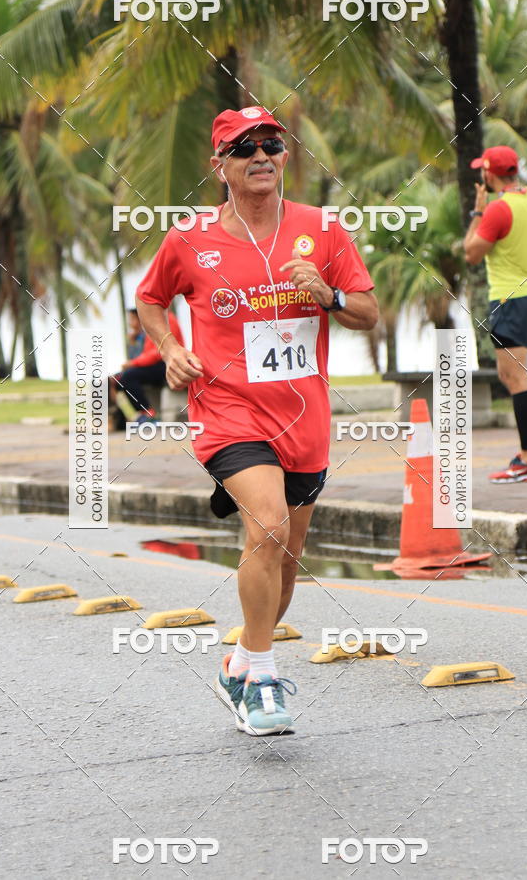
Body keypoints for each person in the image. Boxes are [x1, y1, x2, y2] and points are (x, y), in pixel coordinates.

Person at [136, 106, 378, 735]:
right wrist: (170, 349)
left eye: (271, 142)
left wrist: (328, 296)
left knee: (286, 562)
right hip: (226, 411)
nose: (262, 155)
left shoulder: (320, 230)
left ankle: (242, 658)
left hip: (304, 419)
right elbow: (150, 298)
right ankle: (264, 682)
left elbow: (369, 312)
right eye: (244, 148)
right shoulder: (188, 239)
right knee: (266, 527)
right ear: (220, 167)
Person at [463, 145, 527, 483]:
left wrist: (478, 212)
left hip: (508, 300)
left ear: (489, 174)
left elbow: (471, 253)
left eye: (483, 170)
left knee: (514, 379)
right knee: (519, 377)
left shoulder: (497, 210)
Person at [112, 309, 184, 427]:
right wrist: (133, 346)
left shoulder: (167, 319)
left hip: (167, 363)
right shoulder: (150, 323)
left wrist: (133, 363)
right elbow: (144, 354)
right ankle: (120, 421)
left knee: (128, 377)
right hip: (154, 364)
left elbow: (161, 351)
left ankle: (148, 414)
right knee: (115, 380)